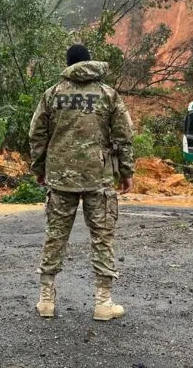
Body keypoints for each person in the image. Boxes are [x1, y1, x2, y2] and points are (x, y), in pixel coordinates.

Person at [29, 44, 134, 321]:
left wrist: (39, 168)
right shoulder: (107, 94)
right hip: (98, 178)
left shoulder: (52, 94)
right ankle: (103, 303)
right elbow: (124, 135)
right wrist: (126, 172)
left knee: (55, 236)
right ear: (89, 62)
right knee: (102, 237)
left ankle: (46, 301)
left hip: (61, 178)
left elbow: (37, 134)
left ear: (67, 64)